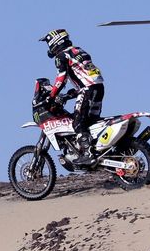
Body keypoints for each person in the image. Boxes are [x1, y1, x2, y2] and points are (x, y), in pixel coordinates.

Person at [39, 29, 105, 165]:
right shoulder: (79, 51)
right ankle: (99, 151)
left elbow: (61, 78)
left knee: (78, 122)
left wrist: (51, 96)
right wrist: (71, 94)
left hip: (87, 89)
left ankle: (87, 154)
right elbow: (85, 75)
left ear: (54, 42)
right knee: (91, 122)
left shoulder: (61, 56)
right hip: (98, 87)